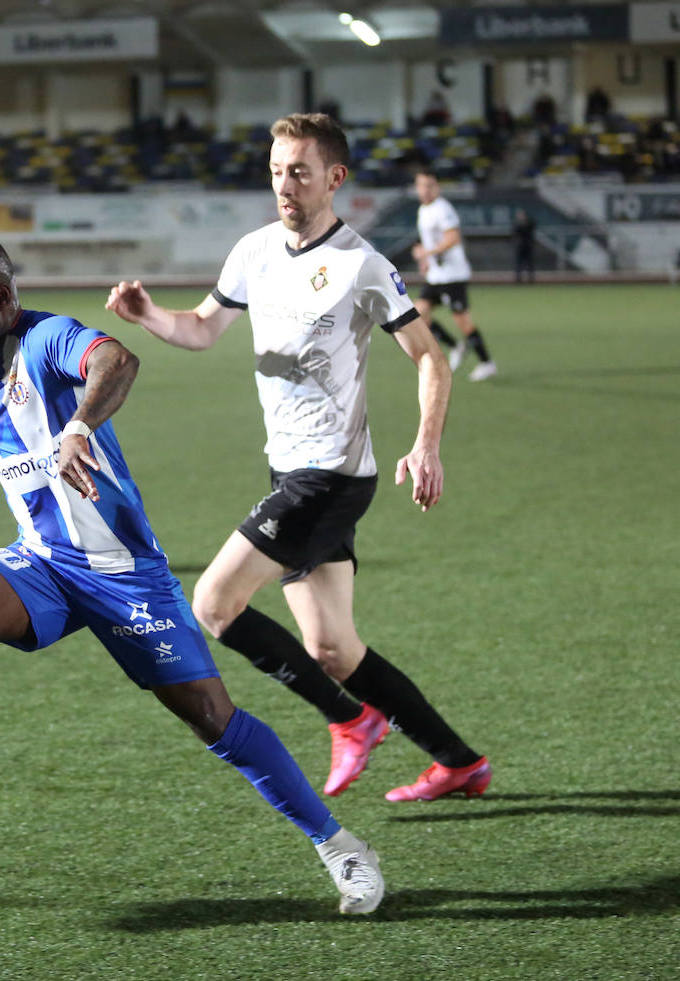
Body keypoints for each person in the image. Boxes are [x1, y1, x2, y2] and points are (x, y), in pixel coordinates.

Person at [0, 236, 384, 915]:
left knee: (213, 718)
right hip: (46, 563)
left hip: (124, 574)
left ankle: (343, 847)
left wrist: (79, 427)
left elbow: (116, 358)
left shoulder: (47, 338)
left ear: (2, 299)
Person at [106, 113, 491, 804]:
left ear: (336, 178)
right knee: (333, 650)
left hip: (331, 477)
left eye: (301, 171)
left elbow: (431, 357)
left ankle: (350, 719)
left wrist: (426, 442)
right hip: (288, 471)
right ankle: (459, 762)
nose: (285, 184)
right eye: (278, 170)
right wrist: (149, 315)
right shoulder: (253, 251)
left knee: (215, 603)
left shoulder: (362, 266)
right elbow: (200, 329)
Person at [412, 169, 496, 381]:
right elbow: (432, 241)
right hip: (437, 275)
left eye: (430, 185)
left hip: (453, 275)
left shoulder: (443, 208)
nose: (426, 189)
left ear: (437, 187)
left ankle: (487, 363)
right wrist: (426, 260)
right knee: (417, 313)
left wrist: (427, 253)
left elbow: (453, 238)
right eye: (422, 185)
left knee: (463, 321)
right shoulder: (423, 210)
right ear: (417, 188)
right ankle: (456, 346)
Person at [512, 208, 537, 283]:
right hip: (520, 247)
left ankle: (531, 279)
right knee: (519, 264)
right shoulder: (517, 224)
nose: (520, 216)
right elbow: (514, 233)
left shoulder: (529, 223)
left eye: (521, 215)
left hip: (528, 246)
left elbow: (533, 226)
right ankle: (518, 279)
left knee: (530, 264)